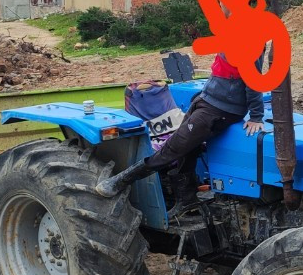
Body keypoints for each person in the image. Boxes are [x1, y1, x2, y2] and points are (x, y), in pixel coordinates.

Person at [96, 52, 265, 198]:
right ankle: (187, 198)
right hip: (207, 99)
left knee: (173, 147)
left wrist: (256, 116)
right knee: (188, 148)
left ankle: (123, 180)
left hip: (220, 110)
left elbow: (253, 80)